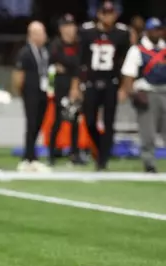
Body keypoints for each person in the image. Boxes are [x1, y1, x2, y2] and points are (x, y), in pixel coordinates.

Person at [71, 1, 131, 171]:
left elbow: (126, 62)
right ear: (99, 14)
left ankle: (102, 161)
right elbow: (80, 60)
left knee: (109, 123)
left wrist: (124, 87)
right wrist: (76, 85)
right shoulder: (87, 32)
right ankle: (100, 149)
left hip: (111, 82)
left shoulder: (121, 33)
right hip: (91, 82)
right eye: (105, 12)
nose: (108, 16)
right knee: (89, 121)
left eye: (111, 13)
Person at [120, 18, 166, 173]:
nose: (157, 32)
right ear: (147, 31)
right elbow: (128, 74)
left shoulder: (164, 48)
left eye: (159, 29)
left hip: (164, 91)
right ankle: (149, 163)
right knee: (148, 132)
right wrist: (132, 94)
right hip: (147, 92)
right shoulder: (137, 50)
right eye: (154, 29)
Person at [12, 21, 51, 173]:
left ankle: (32, 156)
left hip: (43, 91)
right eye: (40, 33)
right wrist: (20, 91)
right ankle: (28, 157)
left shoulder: (44, 51)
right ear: (32, 35)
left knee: (38, 124)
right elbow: (18, 74)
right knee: (31, 123)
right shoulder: (25, 52)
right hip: (30, 92)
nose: (43, 36)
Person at [47, 14, 82, 167]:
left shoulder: (79, 45)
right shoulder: (55, 45)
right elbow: (52, 64)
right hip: (60, 85)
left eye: (72, 26)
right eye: (66, 26)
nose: (70, 29)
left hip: (76, 84)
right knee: (58, 119)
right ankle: (51, 153)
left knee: (75, 120)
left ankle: (74, 153)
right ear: (61, 29)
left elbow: (79, 65)